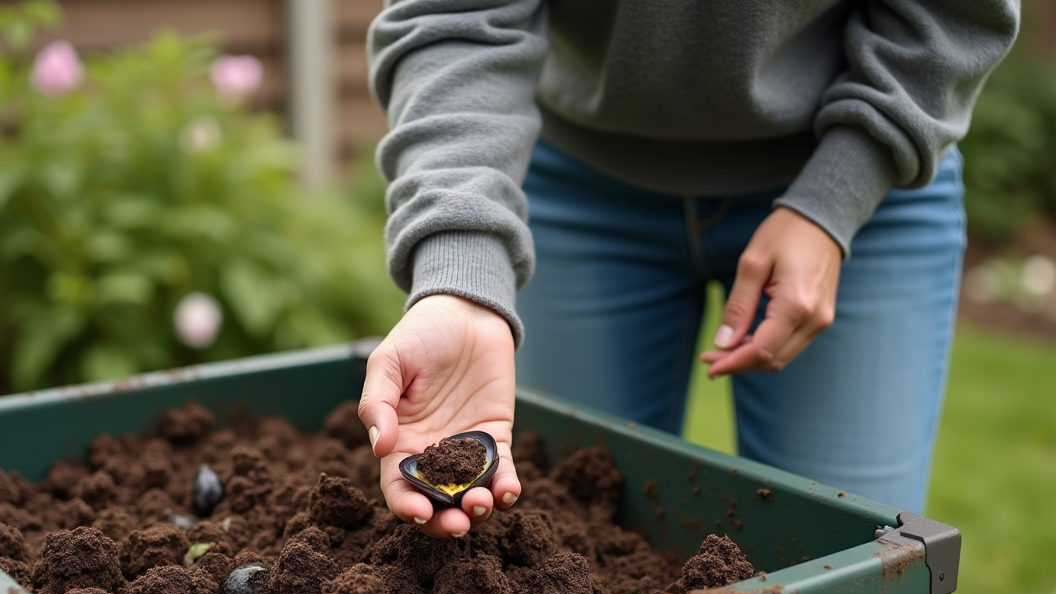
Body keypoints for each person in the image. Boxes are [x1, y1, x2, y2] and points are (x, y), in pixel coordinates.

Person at [357, 0, 1020, 538]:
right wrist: (462, 277)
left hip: (863, 168)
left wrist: (833, 202)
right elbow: (454, 17)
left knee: (853, 561)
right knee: (577, 552)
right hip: (575, 182)